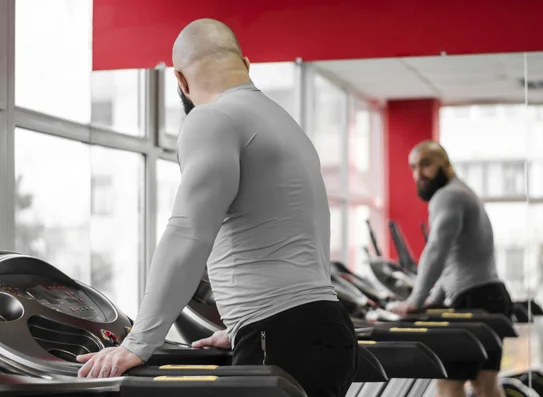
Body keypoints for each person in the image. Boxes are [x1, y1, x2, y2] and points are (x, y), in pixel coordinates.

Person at [76, 18, 358, 397]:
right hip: (323, 326)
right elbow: (297, 238)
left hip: (283, 335)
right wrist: (244, 327)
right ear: (244, 63)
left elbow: (188, 234)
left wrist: (137, 342)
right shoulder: (284, 123)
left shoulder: (210, 118)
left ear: (180, 79)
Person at [387, 140, 512, 397]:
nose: (418, 174)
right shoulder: (462, 192)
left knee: (448, 385)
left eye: (426, 164)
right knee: (484, 384)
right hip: (492, 297)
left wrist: (415, 299)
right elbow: (454, 257)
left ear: (445, 164)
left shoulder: (448, 196)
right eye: (413, 167)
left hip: (474, 300)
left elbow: (437, 249)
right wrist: (434, 298)